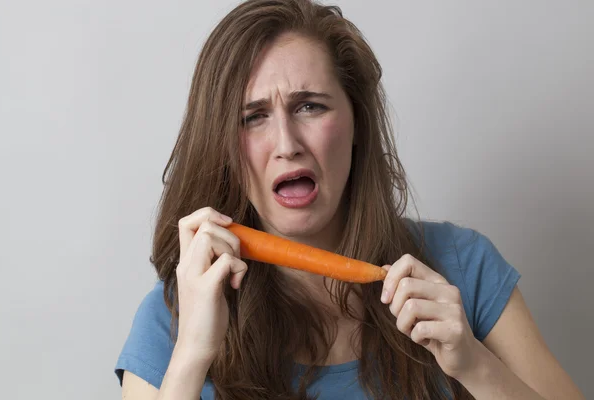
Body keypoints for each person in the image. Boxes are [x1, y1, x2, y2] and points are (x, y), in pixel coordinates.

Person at [114, 0, 584, 399]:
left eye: (309, 106)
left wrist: (475, 366)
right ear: (221, 146)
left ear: (357, 123)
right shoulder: (171, 320)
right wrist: (193, 353)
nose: (286, 142)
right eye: (252, 116)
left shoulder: (464, 267)